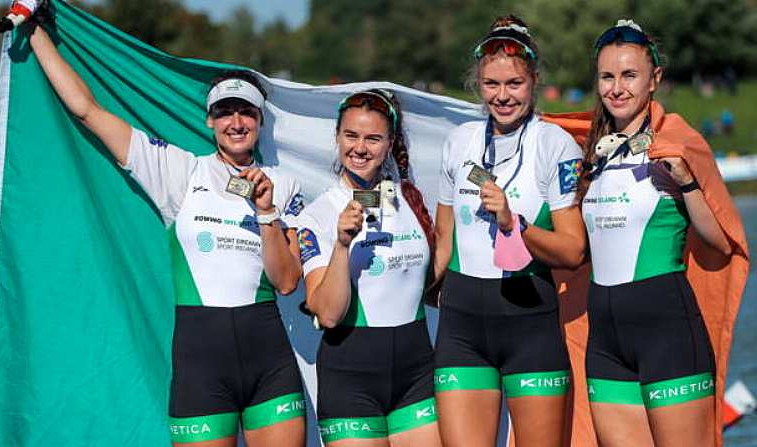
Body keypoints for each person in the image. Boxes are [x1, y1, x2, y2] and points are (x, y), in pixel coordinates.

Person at [26, 16, 306, 447]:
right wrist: (34, 32)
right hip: (201, 369)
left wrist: (267, 213)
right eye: (224, 112)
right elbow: (87, 110)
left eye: (246, 112)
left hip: (270, 366)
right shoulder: (179, 171)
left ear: (260, 121)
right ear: (209, 121)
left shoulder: (284, 185)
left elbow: (287, 282)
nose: (236, 121)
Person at [432, 15, 587, 447]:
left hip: (529, 322)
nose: (502, 97)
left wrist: (514, 224)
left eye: (514, 84)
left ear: (534, 80)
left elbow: (573, 251)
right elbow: (445, 239)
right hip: (462, 326)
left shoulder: (555, 145)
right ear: (478, 84)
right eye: (491, 85)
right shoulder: (458, 141)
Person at [578, 20, 733, 447]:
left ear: (654, 80)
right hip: (606, 342)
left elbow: (720, 245)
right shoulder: (590, 152)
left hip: (667, 331)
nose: (616, 88)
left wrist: (686, 184)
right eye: (607, 76)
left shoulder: (678, 143)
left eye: (629, 76)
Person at [296, 89, 441, 446]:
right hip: (351, 378)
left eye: (373, 138)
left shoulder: (410, 199)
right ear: (337, 137)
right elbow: (327, 315)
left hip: (417, 374)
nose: (360, 148)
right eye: (351, 136)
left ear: (390, 142)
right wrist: (342, 245)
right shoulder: (317, 215)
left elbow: (434, 280)